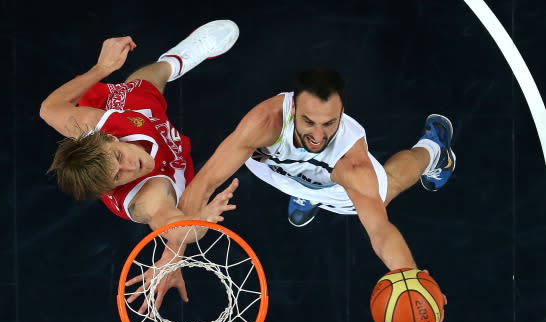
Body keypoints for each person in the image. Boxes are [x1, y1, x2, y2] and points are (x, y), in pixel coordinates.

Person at [40, 20, 240, 312]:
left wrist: (102, 68)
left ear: (105, 137)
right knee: (185, 203)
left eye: (118, 158)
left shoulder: (90, 125)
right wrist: (201, 222)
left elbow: (48, 108)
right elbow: (174, 226)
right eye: (118, 177)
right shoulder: (146, 197)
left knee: (142, 87)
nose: (130, 167)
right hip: (169, 168)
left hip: (137, 120)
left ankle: (174, 60)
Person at [179, 67, 455, 278]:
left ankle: (434, 151)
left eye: (329, 123)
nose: (317, 135)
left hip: (336, 186)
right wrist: (173, 255)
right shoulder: (265, 122)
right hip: (278, 172)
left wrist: (410, 276)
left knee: (385, 190)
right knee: (300, 179)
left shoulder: (352, 163)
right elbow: (206, 182)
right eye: (308, 122)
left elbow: (379, 230)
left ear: (342, 113)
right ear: (293, 108)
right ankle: (308, 192)